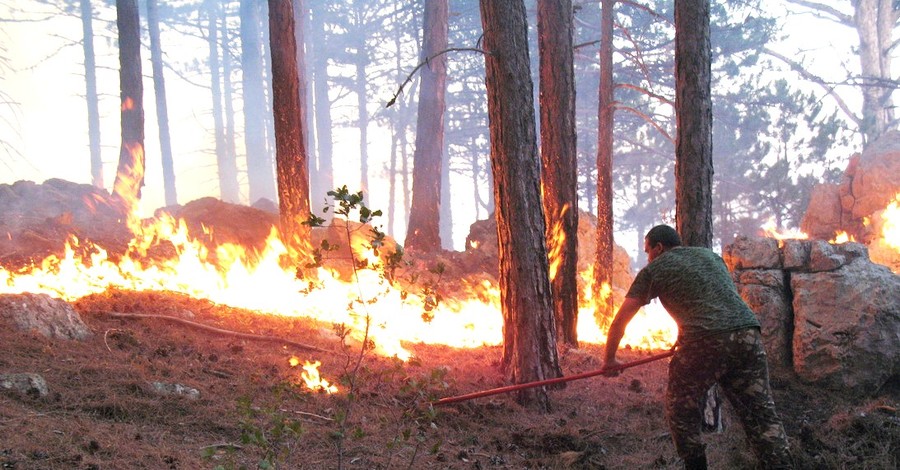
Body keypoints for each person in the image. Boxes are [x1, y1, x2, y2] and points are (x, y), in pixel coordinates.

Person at [603, 224, 792, 470]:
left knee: (681, 410)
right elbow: (713, 302)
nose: (647, 257)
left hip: (705, 342)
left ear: (659, 248)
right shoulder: (710, 256)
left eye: (648, 250)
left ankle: (695, 465)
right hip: (748, 334)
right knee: (761, 414)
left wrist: (609, 359)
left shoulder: (655, 269)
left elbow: (621, 319)